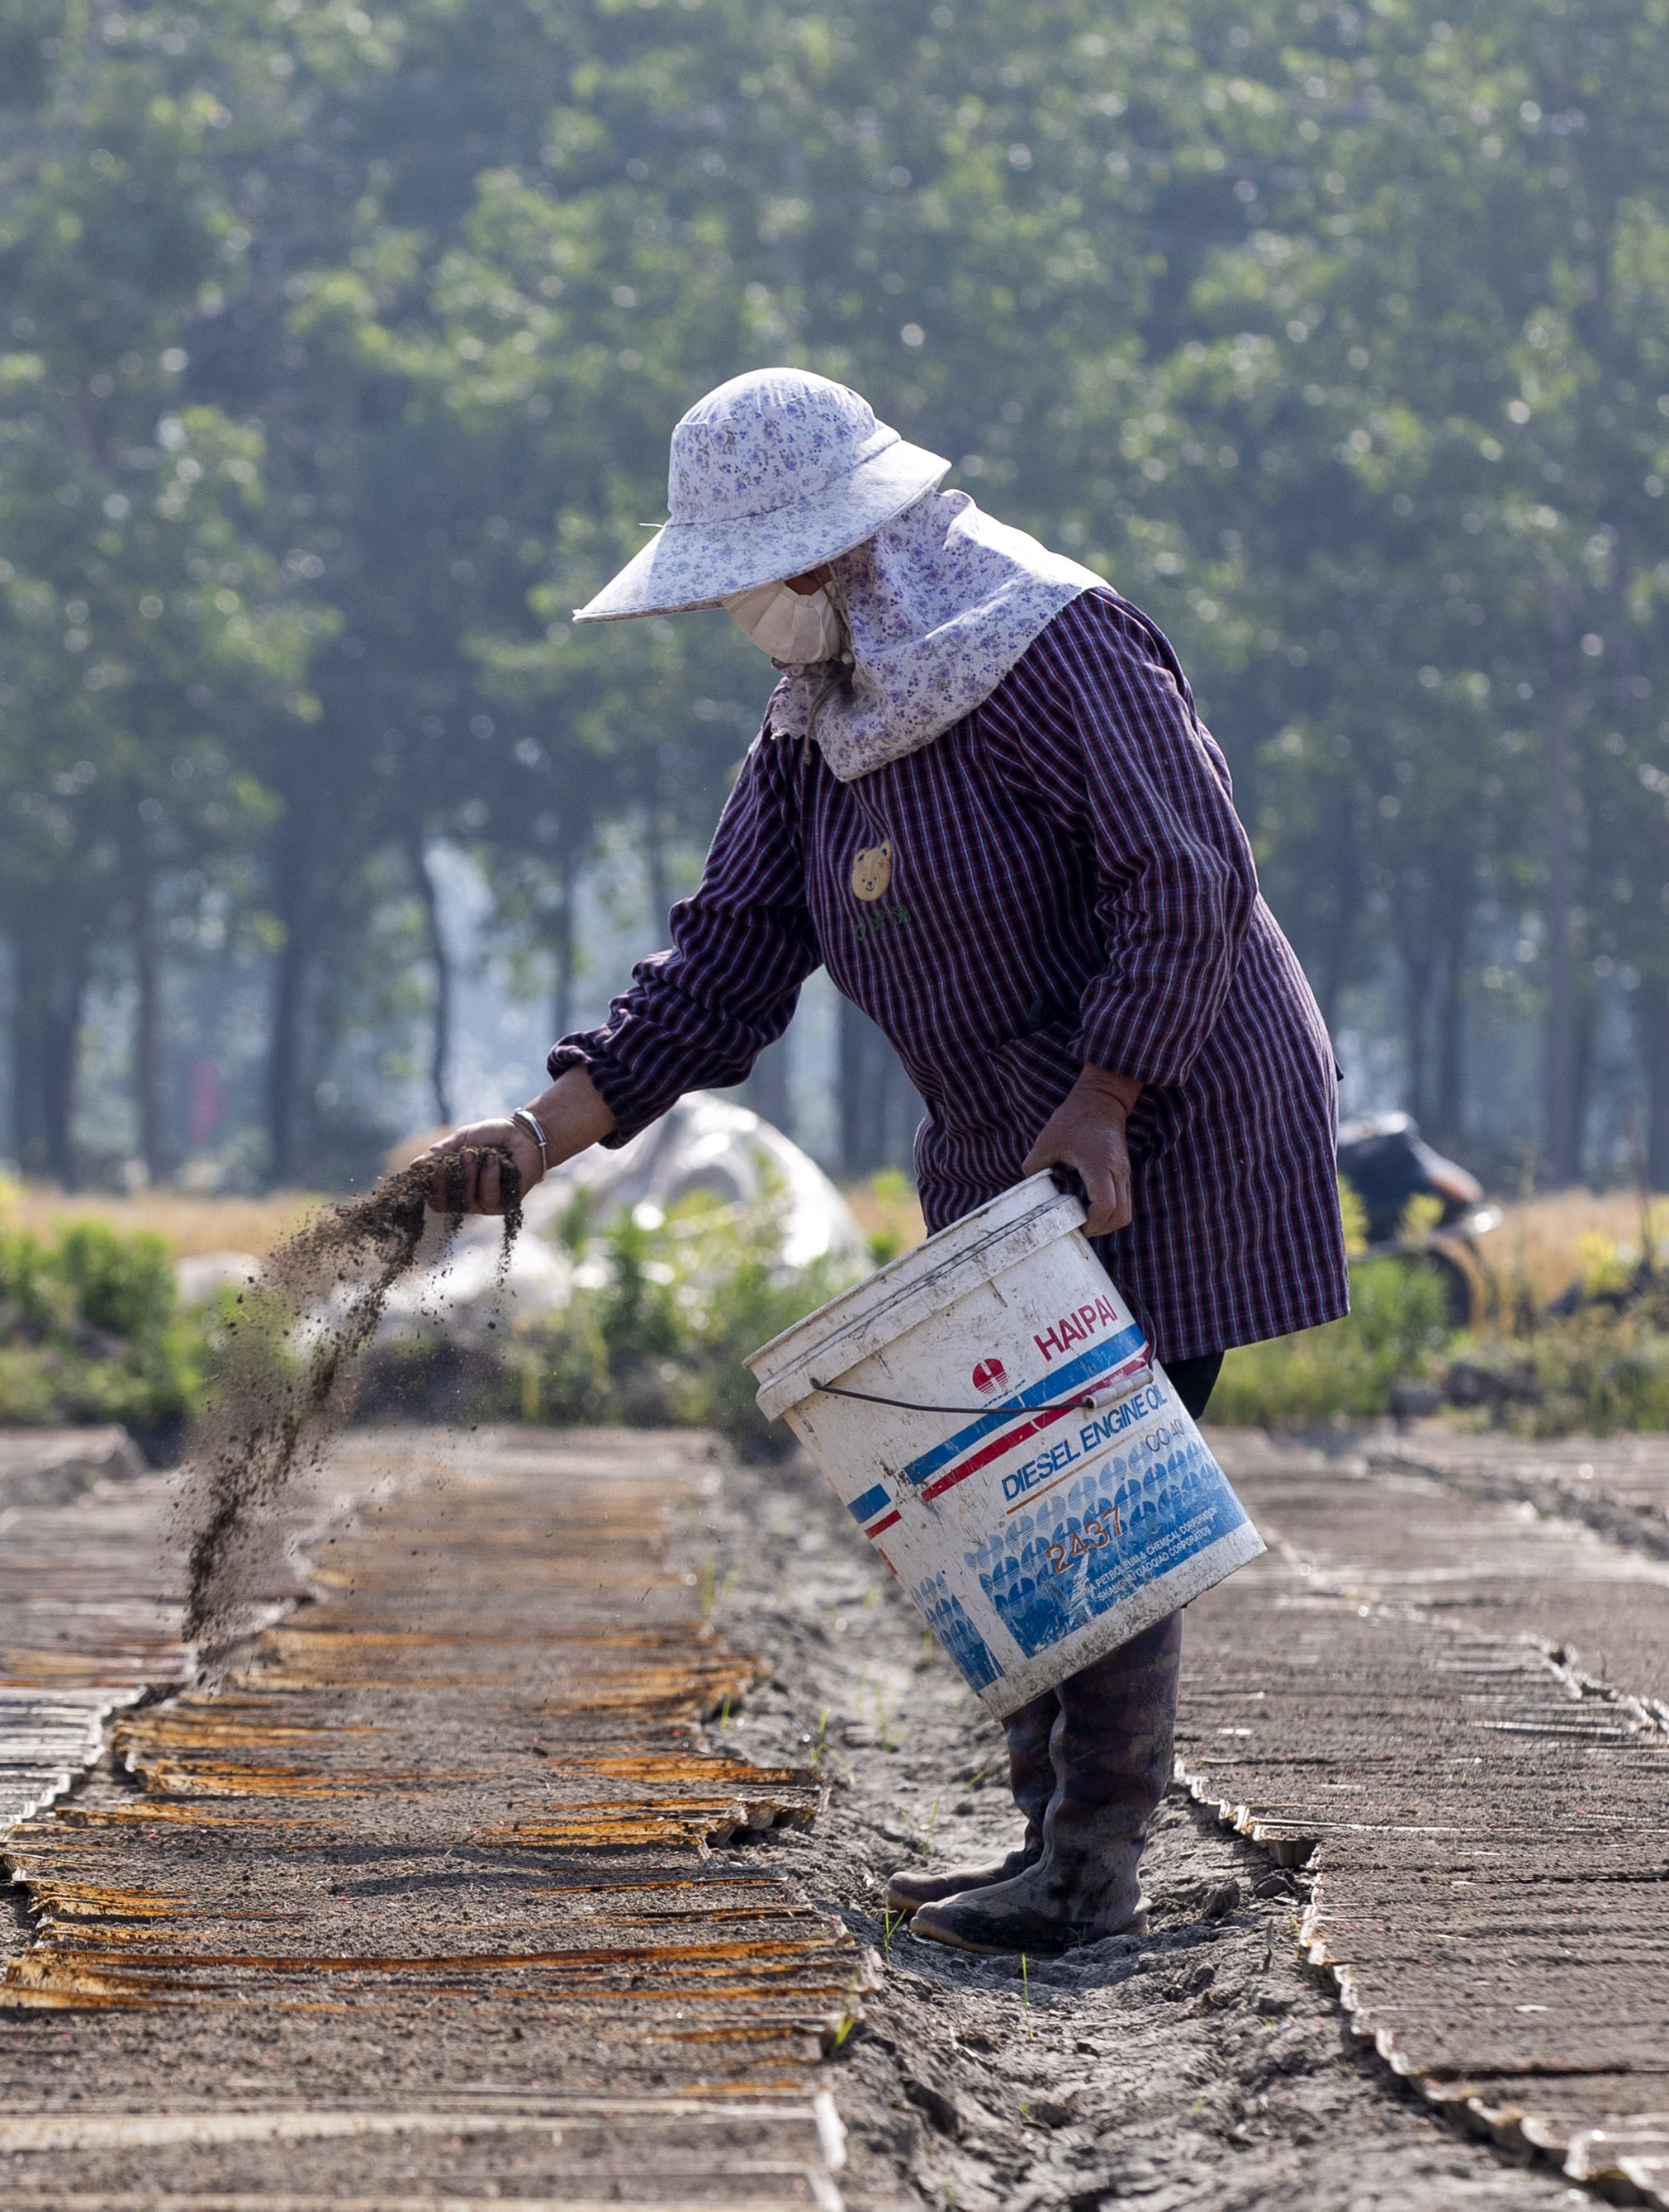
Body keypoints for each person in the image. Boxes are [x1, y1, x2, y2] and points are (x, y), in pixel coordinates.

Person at [420, 366, 1347, 1958]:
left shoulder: (1056, 642)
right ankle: (1047, 1839)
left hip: (1169, 1099)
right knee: (1004, 1476)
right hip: (1006, 1134)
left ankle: (1088, 1863)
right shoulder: (820, 723)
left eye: (755, 577)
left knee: (1084, 1463)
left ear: (842, 547)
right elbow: (721, 964)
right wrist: (535, 1136)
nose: (746, 615)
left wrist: (1108, 1093)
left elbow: (1186, 875)